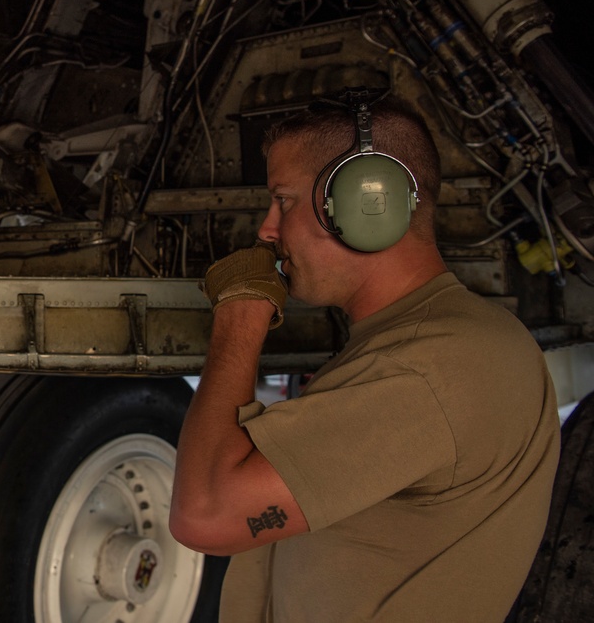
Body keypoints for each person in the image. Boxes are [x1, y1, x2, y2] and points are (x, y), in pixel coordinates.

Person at [169, 93, 561, 622]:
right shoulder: (426, 344)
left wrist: (240, 319)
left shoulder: (431, 368)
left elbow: (205, 516)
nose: (267, 228)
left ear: (365, 200)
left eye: (283, 201)